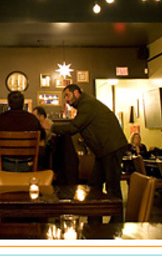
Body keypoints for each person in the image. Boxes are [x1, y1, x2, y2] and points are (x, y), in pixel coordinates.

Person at [51, 84, 128, 221]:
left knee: (112, 186)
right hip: (104, 150)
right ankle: (94, 221)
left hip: (111, 147)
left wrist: (51, 126)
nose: (66, 100)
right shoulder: (86, 104)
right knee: (94, 185)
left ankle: (116, 223)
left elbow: (74, 127)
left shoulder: (87, 104)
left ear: (76, 93)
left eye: (67, 95)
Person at [0, 91, 45, 172]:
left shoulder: (0, 119)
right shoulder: (32, 119)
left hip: (6, 163)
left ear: (8, 104)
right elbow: (43, 135)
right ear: (23, 104)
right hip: (28, 164)